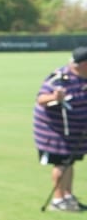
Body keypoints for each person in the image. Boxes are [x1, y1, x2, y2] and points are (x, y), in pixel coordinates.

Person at [33, 46, 87, 211]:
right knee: (61, 163)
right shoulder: (60, 78)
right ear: (83, 64)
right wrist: (55, 97)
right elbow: (41, 98)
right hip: (55, 132)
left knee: (69, 163)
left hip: (76, 132)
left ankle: (67, 196)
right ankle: (58, 200)